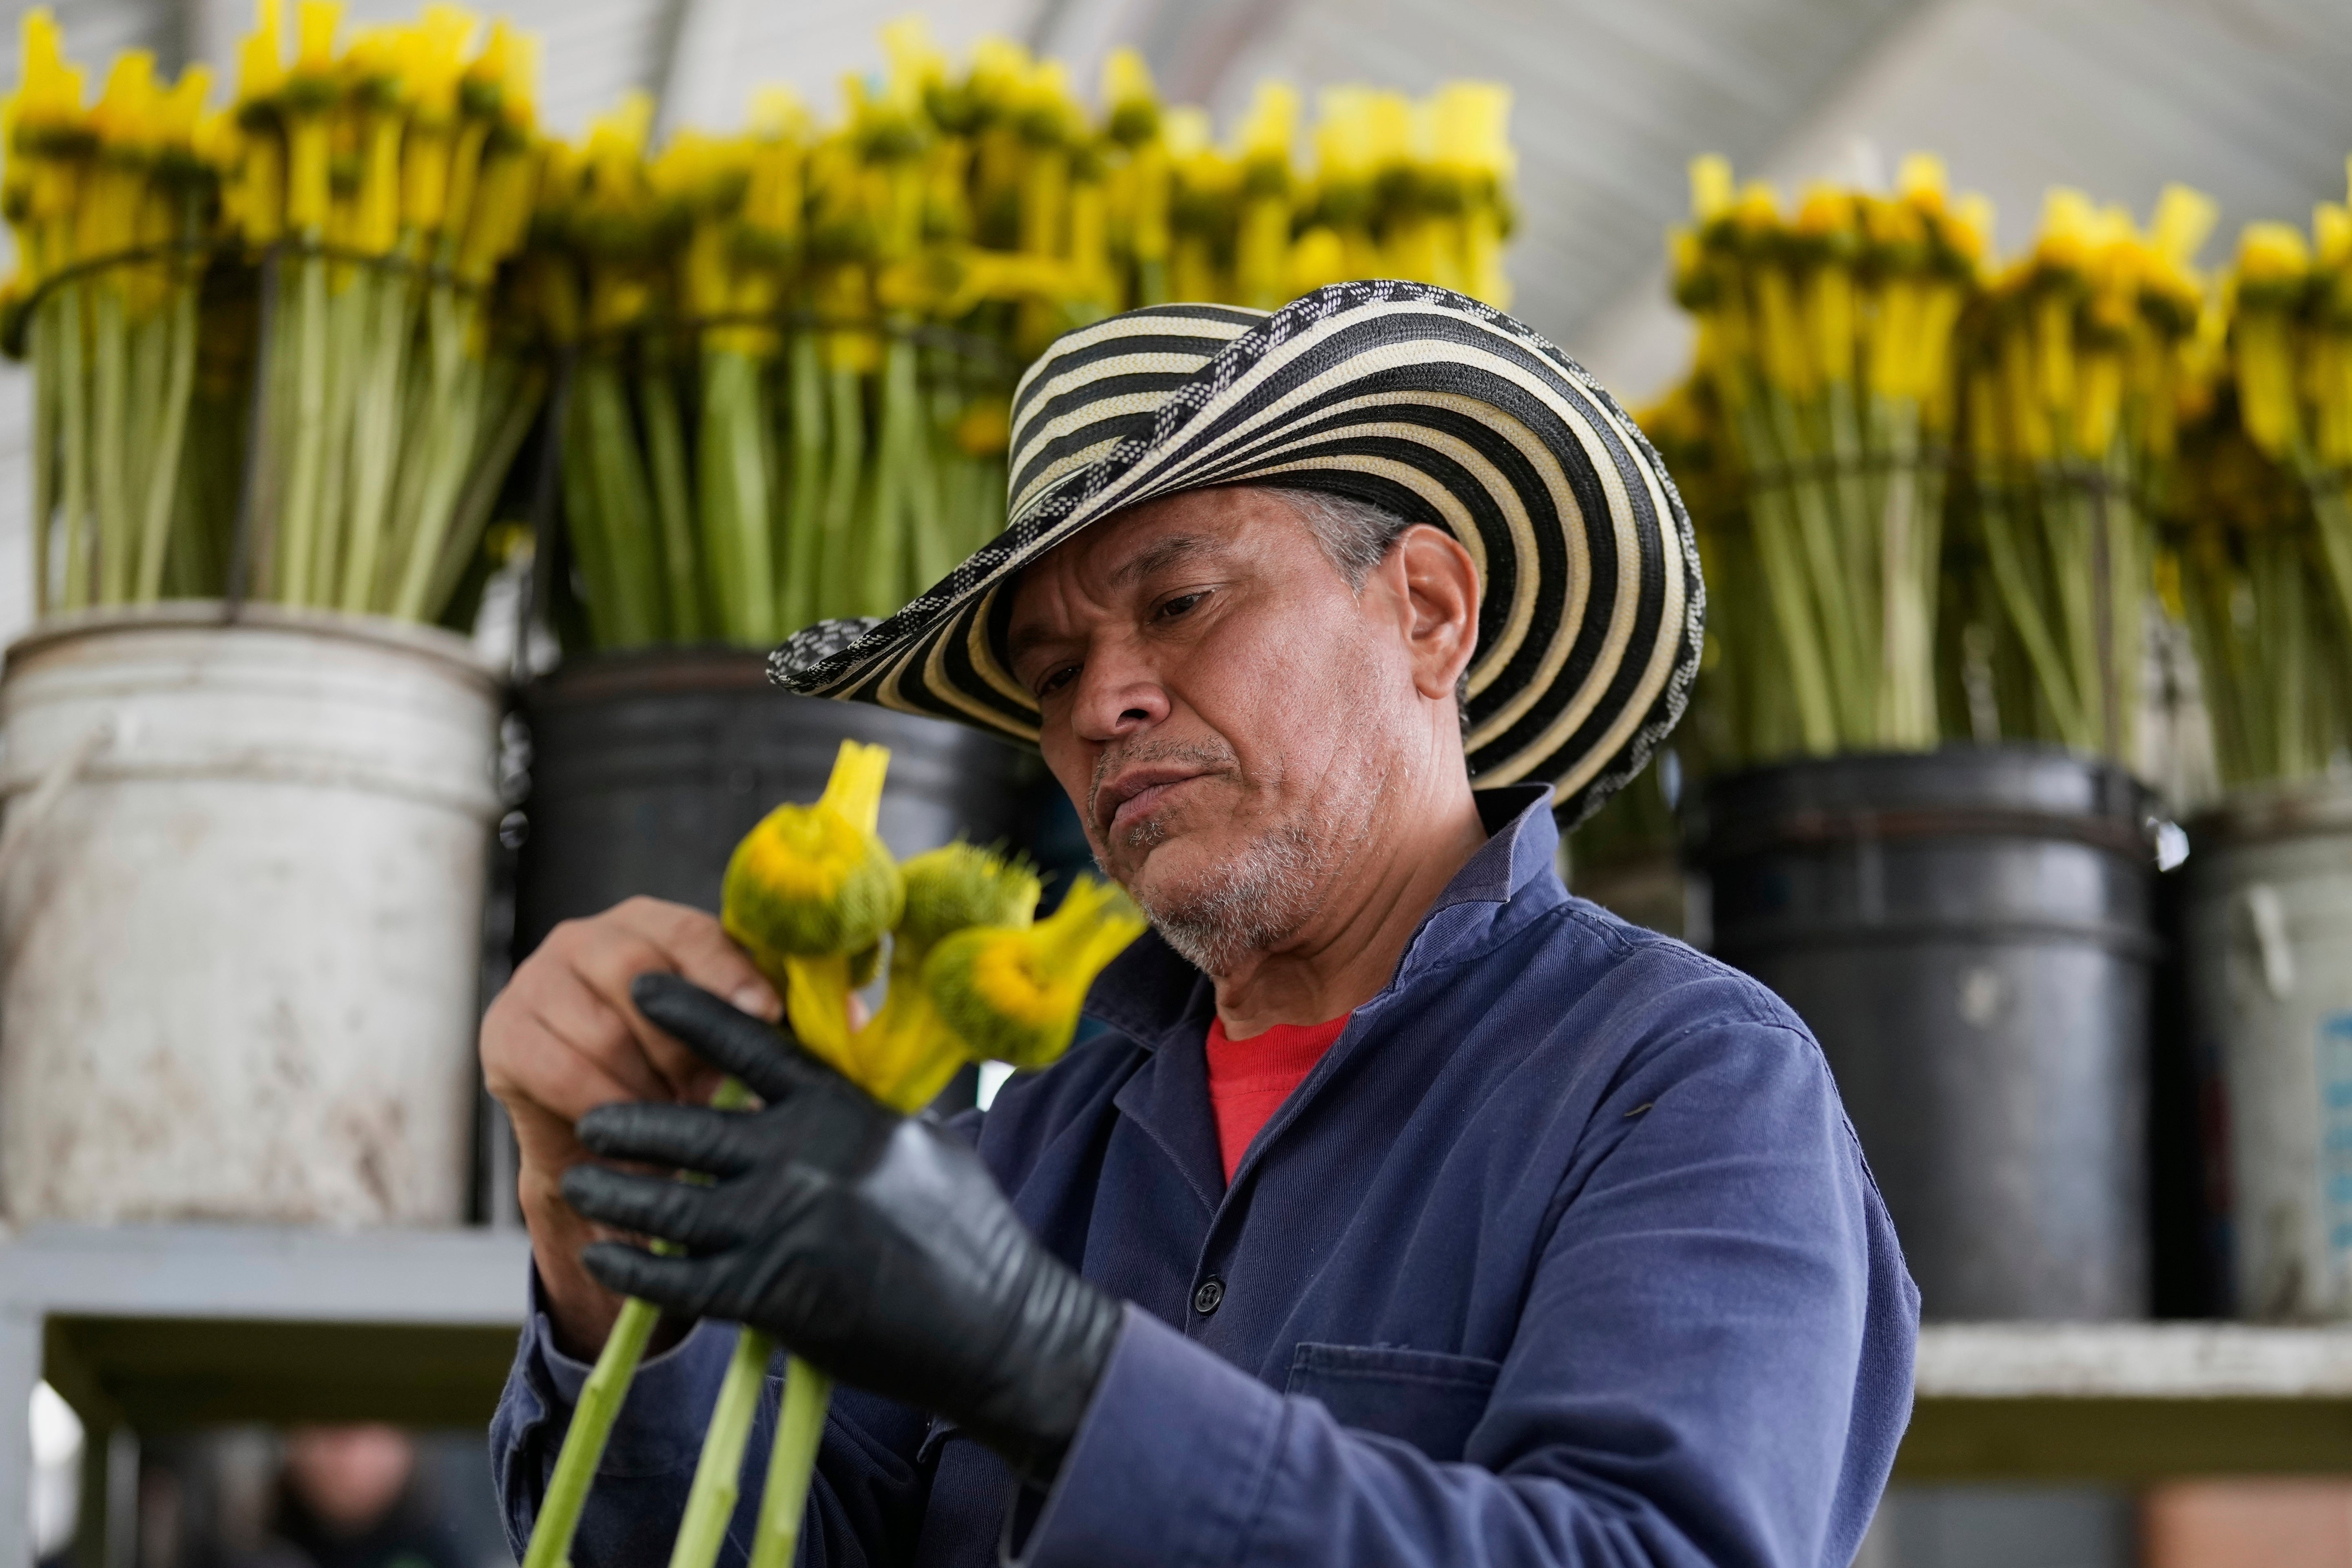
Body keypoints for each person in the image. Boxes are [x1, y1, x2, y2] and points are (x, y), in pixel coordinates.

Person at [484, 281, 1916, 1568]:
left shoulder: (1684, 1084)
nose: (1102, 705)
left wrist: (1048, 1367)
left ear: (1427, 609)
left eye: (1178, 601)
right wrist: (597, 1243)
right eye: (1051, 674)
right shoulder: (1020, 1152)